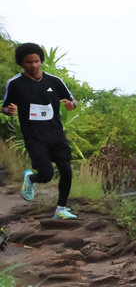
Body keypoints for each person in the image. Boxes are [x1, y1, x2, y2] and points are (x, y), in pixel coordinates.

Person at [1, 43, 78, 219]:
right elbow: (4, 107)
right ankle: (30, 179)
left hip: (56, 134)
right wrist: (8, 110)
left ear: (41, 60)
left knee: (66, 170)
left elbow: (73, 100)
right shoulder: (15, 83)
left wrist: (71, 105)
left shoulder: (54, 81)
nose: (34, 65)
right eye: (29, 62)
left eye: (36, 61)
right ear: (21, 63)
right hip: (34, 137)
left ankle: (61, 209)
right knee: (46, 175)